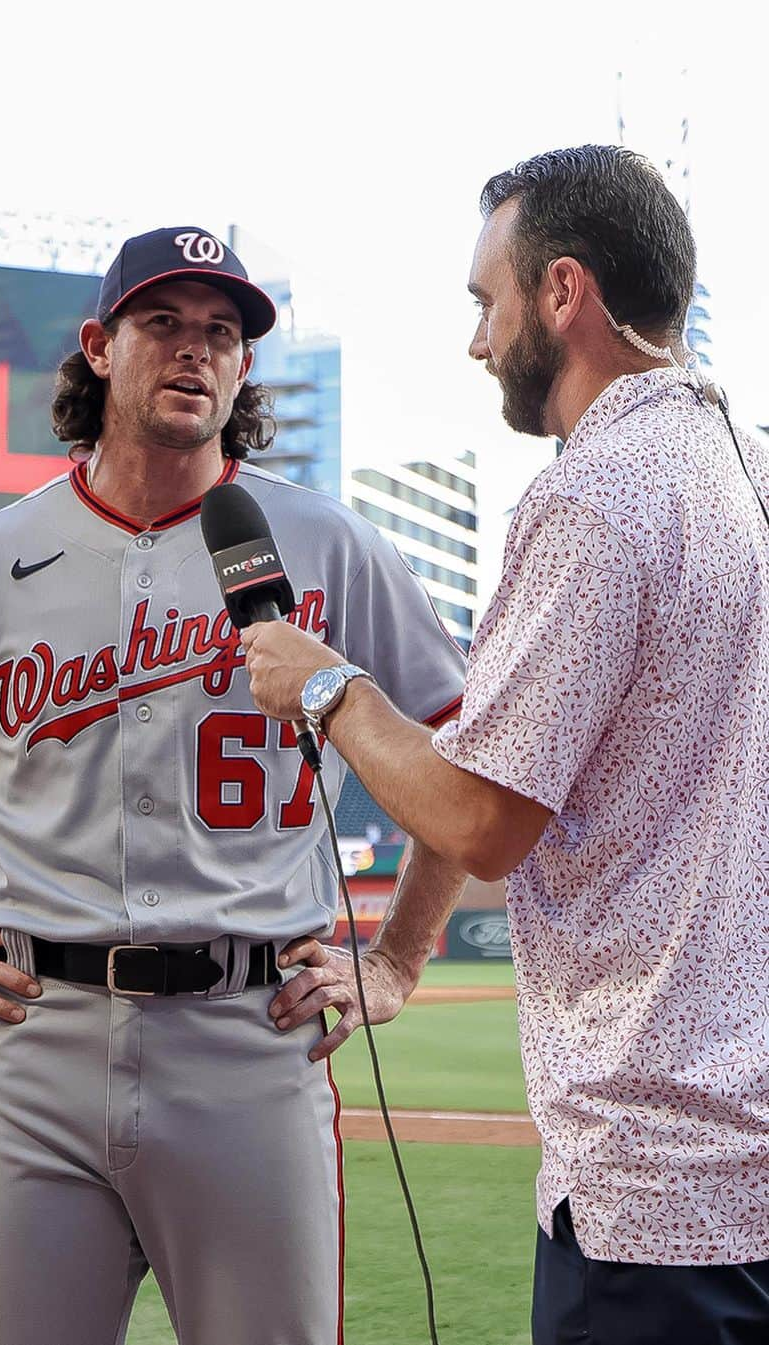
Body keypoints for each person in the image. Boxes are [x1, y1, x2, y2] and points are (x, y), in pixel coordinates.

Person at [0, 225, 468, 1345]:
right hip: (34, 1040)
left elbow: (464, 757)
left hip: (249, 1040)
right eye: (162, 322)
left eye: (223, 333)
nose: (195, 351)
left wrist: (399, 957)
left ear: (245, 367)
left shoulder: (327, 544)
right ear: (98, 349)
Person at [243, 146, 769, 1344]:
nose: (479, 341)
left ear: (563, 293)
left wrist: (330, 688)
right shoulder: (748, 465)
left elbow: (485, 818)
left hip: (657, 1184)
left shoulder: (596, 492)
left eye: (488, 301)